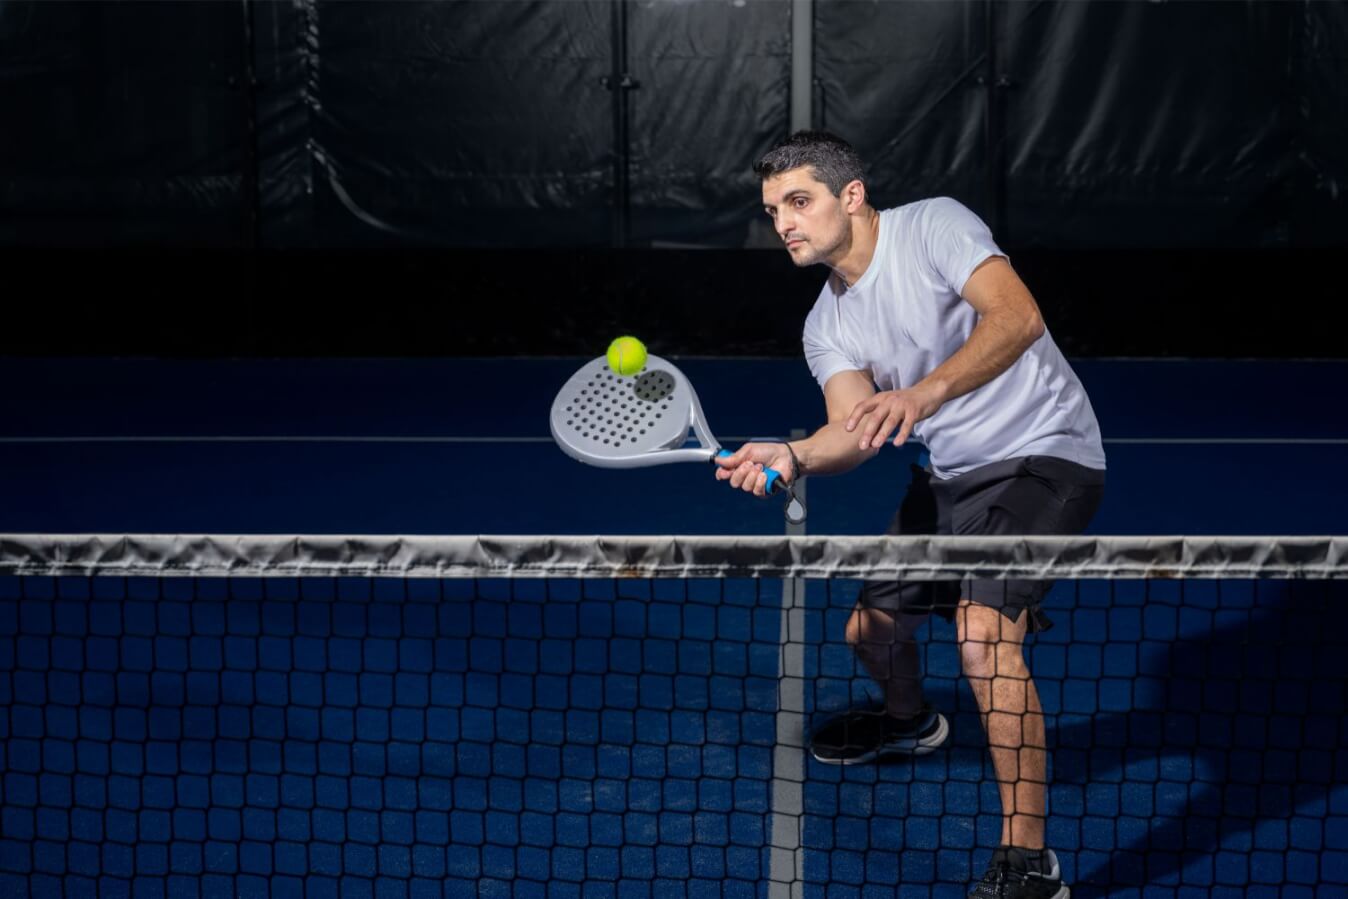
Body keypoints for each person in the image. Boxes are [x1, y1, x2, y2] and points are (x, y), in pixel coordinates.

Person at [714, 130, 1104, 899]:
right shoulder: (827, 323)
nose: (784, 222)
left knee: (983, 638)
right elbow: (851, 431)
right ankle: (911, 722)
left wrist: (923, 394)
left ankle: (1030, 863)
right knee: (871, 631)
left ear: (851, 195)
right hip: (950, 475)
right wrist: (794, 454)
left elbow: (1018, 317)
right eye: (773, 210)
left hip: (1045, 453)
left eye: (799, 201)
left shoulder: (933, 227)